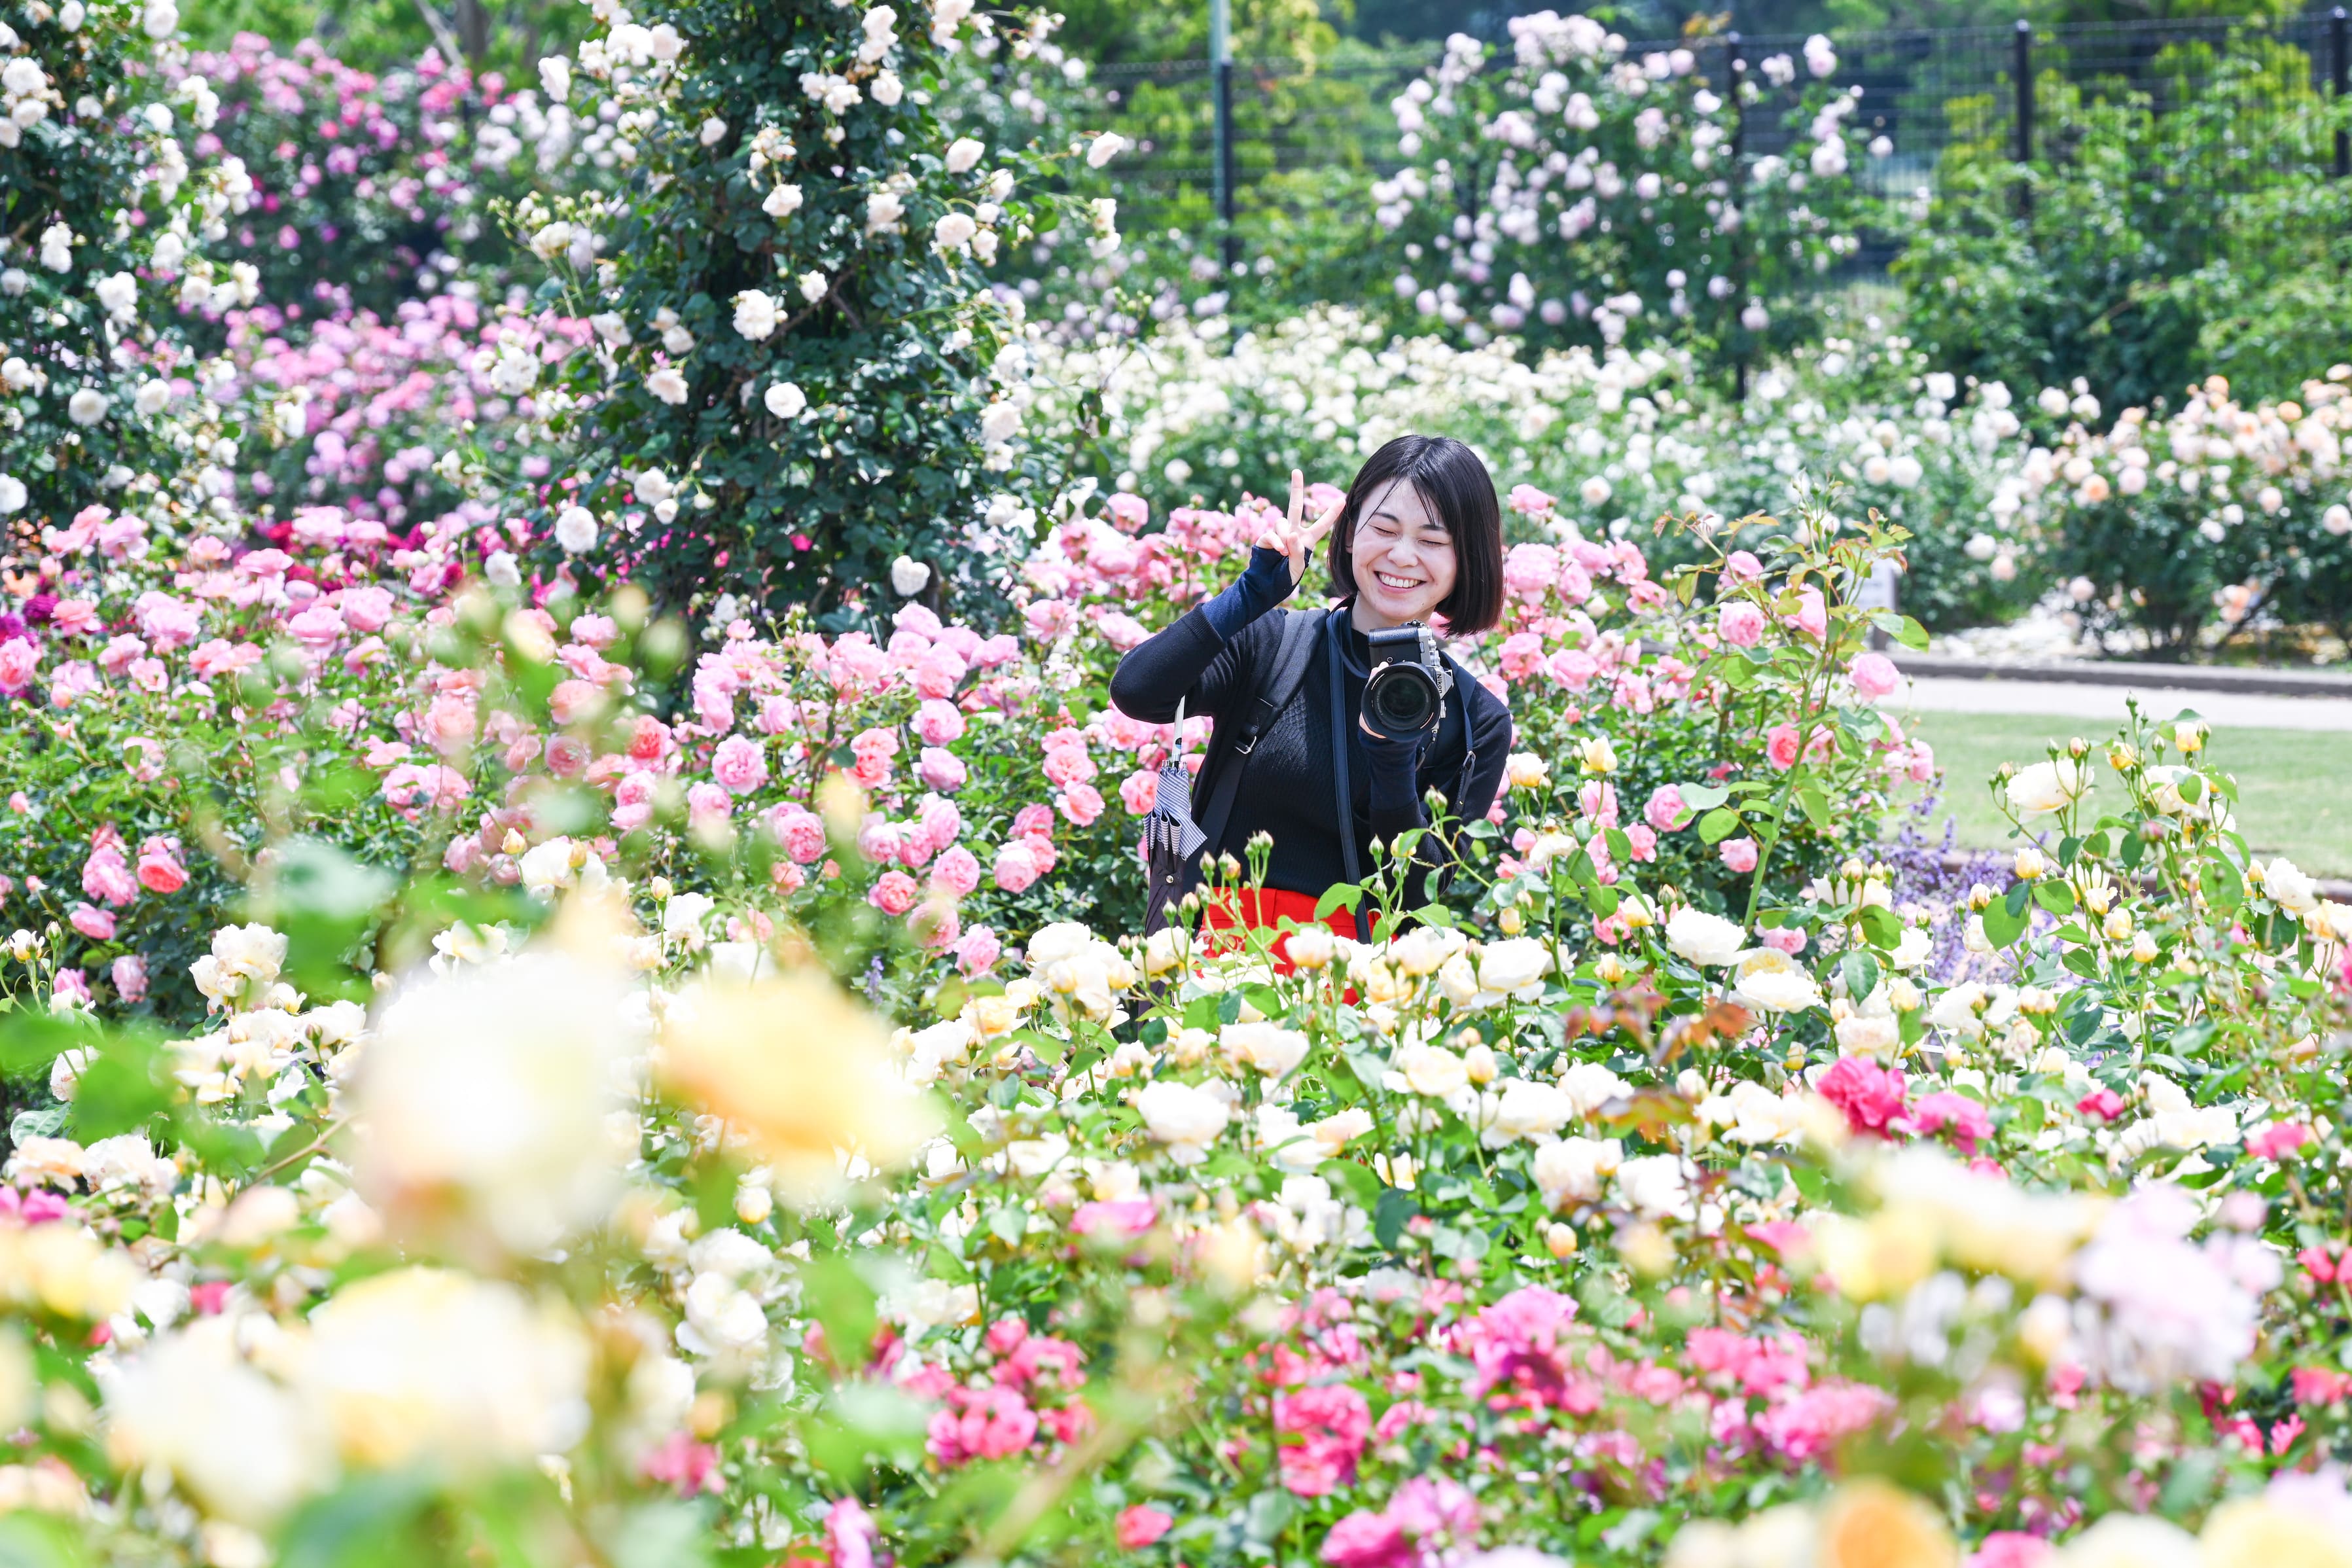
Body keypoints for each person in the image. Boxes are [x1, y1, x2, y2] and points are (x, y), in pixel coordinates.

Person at [1109, 434, 1514, 957]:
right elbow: (1139, 692)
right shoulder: (1273, 645)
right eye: (1384, 529)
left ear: (1467, 559)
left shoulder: (1473, 718)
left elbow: (1419, 895)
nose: (1402, 555)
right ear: (1348, 536)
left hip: (1357, 994)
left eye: (1433, 542)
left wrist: (1393, 762)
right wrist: (1249, 597)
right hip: (1219, 966)